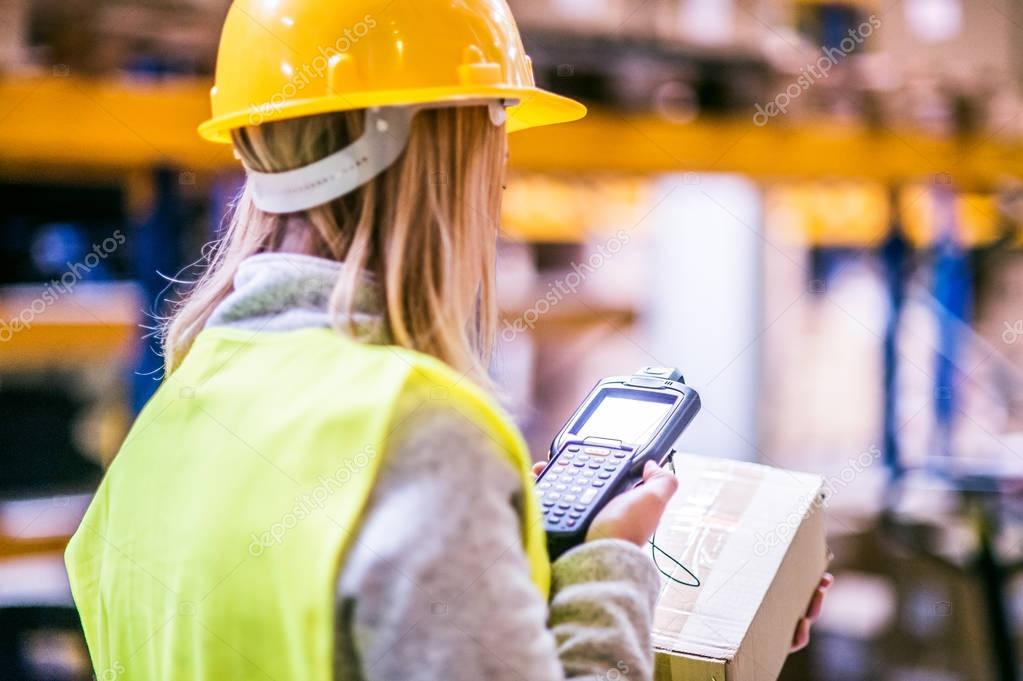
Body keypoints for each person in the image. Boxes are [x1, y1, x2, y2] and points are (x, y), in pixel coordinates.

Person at [65, 1, 830, 679]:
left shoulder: (161, 433)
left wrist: (499, 560)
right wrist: (614, 563)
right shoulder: (421, 430)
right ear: (443, 152)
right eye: (493, 174)